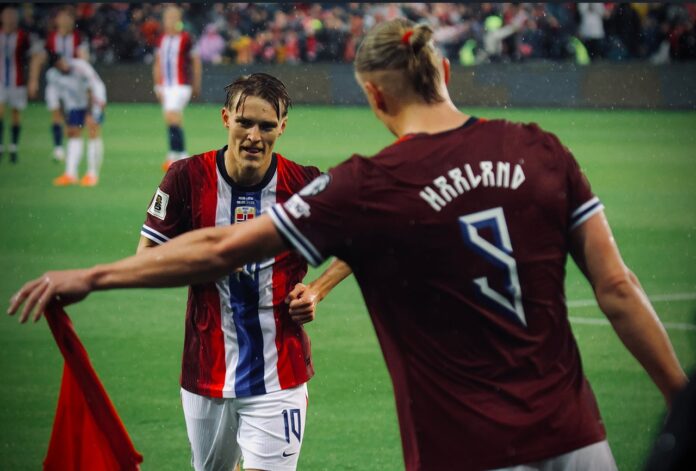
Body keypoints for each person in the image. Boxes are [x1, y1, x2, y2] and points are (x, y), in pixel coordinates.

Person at [9, 18, 688, 471]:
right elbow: (618, 287)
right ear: (445, 72)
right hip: (577, 438)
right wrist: (684, 406)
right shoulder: (540, 148)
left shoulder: (371, 184)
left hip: (466, 445)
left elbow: (219, 249)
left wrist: (91, 276)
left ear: (372, 94)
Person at [140, 72, 349, 471]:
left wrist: (317, 290)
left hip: (279, 371)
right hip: (206, 370)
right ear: (225, 119)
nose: (254, 136)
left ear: (282, 127)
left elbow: (364, 236)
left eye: (266, 126)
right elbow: (146, 258)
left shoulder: (304, 184)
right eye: (244, 123)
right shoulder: (186, 178)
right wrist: (206, 259)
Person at [29, 5, 90, 163]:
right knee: (55, 112)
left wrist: (83, 73)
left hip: (72, 82)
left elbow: (84, 57)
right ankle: (58, 148)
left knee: (71, 117)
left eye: (67, 18)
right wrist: (33, 80)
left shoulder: (77, 37)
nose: (64, 21)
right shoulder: (50, 38)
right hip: (55, 80)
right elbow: (39, 58)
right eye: (62, 17)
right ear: (56, 20)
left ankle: (71, 146)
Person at [154, 5, 202, 171]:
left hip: (181, 84)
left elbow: (196, 62)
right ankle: (175, 155)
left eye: (173, 17)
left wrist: (196, 83)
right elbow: (158, 63)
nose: (170, 21)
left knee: (171, 115)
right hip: (166, 86)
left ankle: (179, 155)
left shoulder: (186, 38)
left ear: (179, 20)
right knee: (172, 119)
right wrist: (157, 85)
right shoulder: (161, 39)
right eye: (167, 17)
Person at [46, 55, 106, 187]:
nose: (63, 65)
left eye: (62, 62)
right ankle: (70, 173)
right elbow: (57, 98)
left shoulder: (80, 67)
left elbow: (91, 89)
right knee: (72, 132)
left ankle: (92, 174)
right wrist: (64, 118)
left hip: (95, 99)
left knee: (92, 131)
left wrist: (89, 113)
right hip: (75, 102)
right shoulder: (53, 76)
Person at [0, 6, 41, 163]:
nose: (10, 19)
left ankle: (13, 146)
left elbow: (35, 55)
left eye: (12, 16)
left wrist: (32, 79)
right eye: (7, 16)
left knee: (16, 114)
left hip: (17, 82)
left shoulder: (23, 36)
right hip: (1, 82)